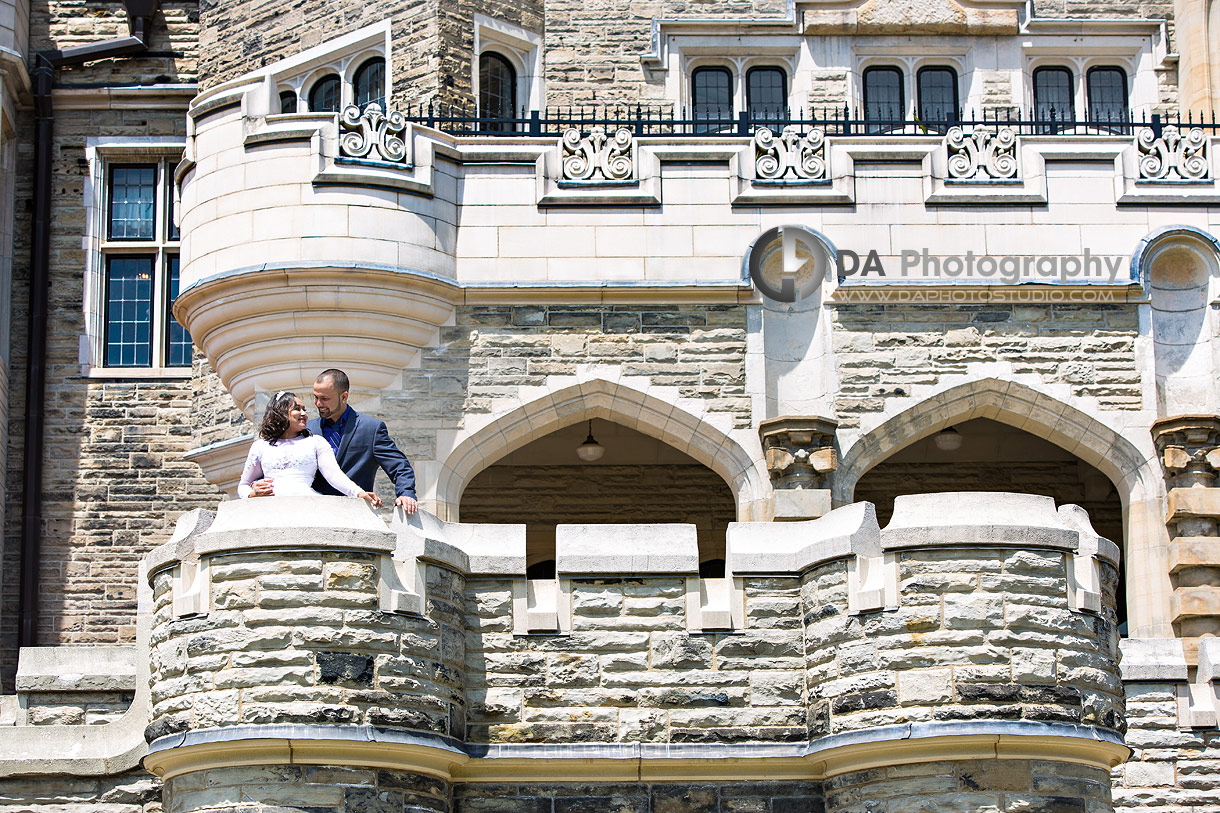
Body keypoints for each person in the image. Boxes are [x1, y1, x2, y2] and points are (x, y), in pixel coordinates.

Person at [238, 391, 381, 506]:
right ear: (280, 412)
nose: (304, 414)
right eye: (297, 409)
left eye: (304, 409)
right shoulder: (261, 446)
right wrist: (252, 494)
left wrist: (358, 492)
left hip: (307, 505)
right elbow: (243, 485)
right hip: (269, 507)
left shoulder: (316, 442)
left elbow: (333, 475)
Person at [308, 368, 419, 515]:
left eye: (325, 399)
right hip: (314, 513)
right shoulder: (307, 430)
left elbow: (400, 466)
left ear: (344, 396)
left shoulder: (371, 429)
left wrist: (406, 493)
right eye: (315, 397)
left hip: (356, 515)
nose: (318, 403)